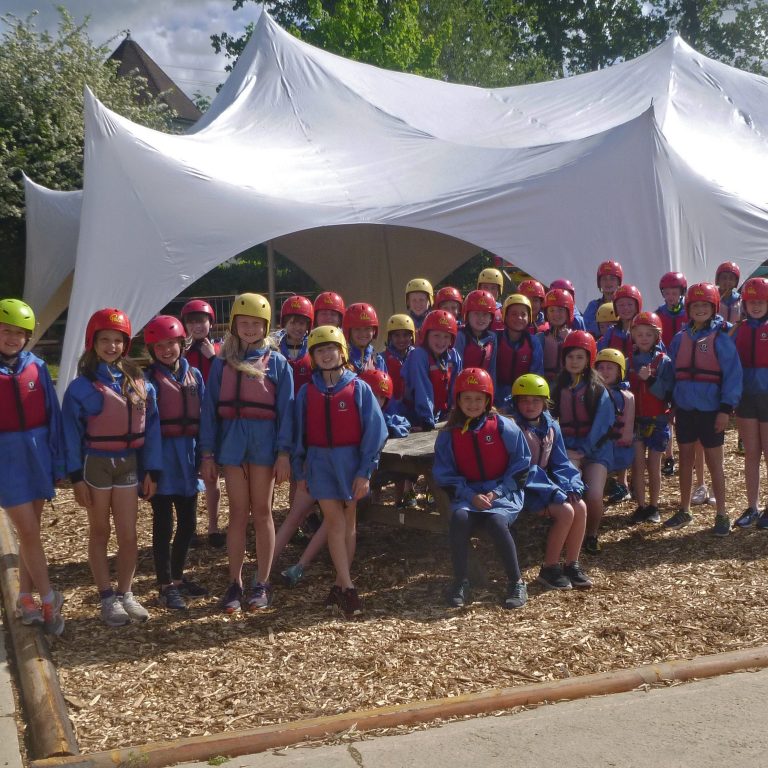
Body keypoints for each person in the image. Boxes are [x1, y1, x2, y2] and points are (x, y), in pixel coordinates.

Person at [62, 308, 162, 627]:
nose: (111, 346)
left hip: (129, 463)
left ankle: (126, 593)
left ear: (125, 344)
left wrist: (152, 470)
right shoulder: (81, 388)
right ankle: (106, 597)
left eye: (117, 341)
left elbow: (152, 429)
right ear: (93, 343)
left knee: (129, 534)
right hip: (96, 465)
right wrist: (76, 477)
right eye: (104, 340)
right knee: (100, 530)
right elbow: (70, 435)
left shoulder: (137, 382)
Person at [199, 293, 294, 613]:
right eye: (244, 323)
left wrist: (284, 454)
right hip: (232, 445)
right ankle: (235, 583)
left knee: (263, 511)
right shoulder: (221, 363)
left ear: (265, 326)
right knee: (238, 513)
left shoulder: (278, 363)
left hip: (264, 444)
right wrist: (208, 454)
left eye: (255, 324)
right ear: (234, 326)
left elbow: (286, 412)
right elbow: (209, 411)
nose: (249, 329)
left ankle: (262, 581)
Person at [292, 326, 387, 619]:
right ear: (313, 357)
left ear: (342, 352)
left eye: (331, 349)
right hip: (320, 462)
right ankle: (348, 588)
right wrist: (300, 470)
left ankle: (337, 585)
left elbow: (375, 432)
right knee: (334, 521)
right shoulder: (307, 392)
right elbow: (299, 435)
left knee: (349, 522)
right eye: (320, 350)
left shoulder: (358, 388)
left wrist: (365, 471)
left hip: (350, 462)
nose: (326, 355)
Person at [433, 368, 531, 609]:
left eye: (479, 398)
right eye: (467, 398)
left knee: (496, 522)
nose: (473, 404)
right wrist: (470, 495)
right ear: (458, 400)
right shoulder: (449, 433)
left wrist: (496, 492)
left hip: (503, 492)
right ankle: (461, 580)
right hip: (469, 493)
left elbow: (521, 464)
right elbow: (444, 474)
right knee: (459, 518)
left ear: (488, 400)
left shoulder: (503, 426)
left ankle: (516, 581)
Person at [0, 299, 65, 635]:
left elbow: (53, 416)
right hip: (6, 457)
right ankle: (49, 596)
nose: (13, 338)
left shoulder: (36, 367)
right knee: (27, 531)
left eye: (19, 333)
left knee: (32, 533)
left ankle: (25, 598)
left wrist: (58, 460)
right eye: (6, 331)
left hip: (37, 452)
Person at [664, 283, 742, 535]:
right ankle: (684, 509)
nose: (699, 309)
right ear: (688, 308)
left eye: (704, 305)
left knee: (714, 463)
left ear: (713, 307)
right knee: (685, 460)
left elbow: (732, 375)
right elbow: (674, 372)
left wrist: (725, 409)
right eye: (695, 305)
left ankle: (722, 514)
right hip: (686, 409)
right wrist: (672, 404)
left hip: (711, 410)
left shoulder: (722, 336)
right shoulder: (680, 338)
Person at [144, 315, 208, 610]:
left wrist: (206, 455)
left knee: (188, 524)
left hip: (187, 459)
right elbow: (147, 428)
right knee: (163, 524)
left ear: (182, 343)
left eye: (172, 343)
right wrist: (149, 469)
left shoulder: (194, 374)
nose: (167, 349)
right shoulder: (148, 380)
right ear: (152, 350)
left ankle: (179, 579)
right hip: (161, 460)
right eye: (160, 346)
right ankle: (164, 584)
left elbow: (205, 419)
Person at [510, 373, 592, 590]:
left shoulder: (551, 426)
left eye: (535, 400)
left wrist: (572, 485)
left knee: (580, 506)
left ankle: (572, 564)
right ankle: (549, 567)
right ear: (516, 402)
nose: (529, 405)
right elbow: (522, 470)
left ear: (544, 402)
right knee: (565, 511)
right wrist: (554, 492)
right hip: (522, 489)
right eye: (524, 400)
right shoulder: (513, 428)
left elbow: (561, 462)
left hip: (546, 486)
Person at [551, 331, 615, 555]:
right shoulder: (559, 387)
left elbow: (602, 427)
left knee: (595, 494)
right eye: (570, 357)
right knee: (570, 490)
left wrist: (583, 451)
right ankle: (569, 532)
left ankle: (592, 534)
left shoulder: (598, 390)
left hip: (596, 450)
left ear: (589, 360)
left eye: (580, 357)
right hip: (569, 447)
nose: (574, 362)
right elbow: (549, 417)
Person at [181, 299, 225, 547]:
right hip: (190, 419)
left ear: (211, 322)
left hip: (214, 420)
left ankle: (213, 526)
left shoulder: (221, 350)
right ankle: (191, 527)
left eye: (202, 321)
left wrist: (214, 357)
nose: (198, 326)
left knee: (212, 475)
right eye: (192, 322)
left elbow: (231, 377)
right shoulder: (182, 351)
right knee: (189, 474)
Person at [625, 312, 674, 525]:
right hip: (636, 421)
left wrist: (651, 379)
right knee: (637, 465)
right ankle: (641, 505)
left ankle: (654, 505)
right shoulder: (627, 362)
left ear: (657, 337)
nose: (644, 338)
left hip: (657, 420)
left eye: (649, 334)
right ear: (633, 336)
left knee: (654, 464)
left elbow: (668, 392)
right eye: (639, 334)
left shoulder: (663, 361)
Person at [731, 277, 768, 529]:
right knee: (751, 454)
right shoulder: (738, 329)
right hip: (746, 398)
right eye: (751, 301)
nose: (755, 306)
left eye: (761, 301)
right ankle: (752, 506)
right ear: (744, 303)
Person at [401, 309, 461, 430]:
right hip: (415, 417)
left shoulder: (453, 356)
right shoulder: (418, 355)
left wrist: (456, 415)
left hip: (440, 416)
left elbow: (457, 388)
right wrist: (426, 421)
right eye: (436, 335)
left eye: (446, 336)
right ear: (426, 335)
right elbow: (421, 388)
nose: (441, 341)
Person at [595, 348, 635, 506]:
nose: (604, 372)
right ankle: (610, 486)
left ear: (619, 372)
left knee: (619, 459)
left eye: (610, 368)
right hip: (602, 442)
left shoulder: (623, 394)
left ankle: (621, 484)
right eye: (601, 368)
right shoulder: (594, 391)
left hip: (618, 441)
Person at [495, 294, 544, 409]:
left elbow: (536, 374)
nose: (519, 318)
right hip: (498, 396)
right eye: (514, 314)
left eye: (523, 314)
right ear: (505, 316)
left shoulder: (534, 343)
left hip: (524, 395)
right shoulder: (495, 339)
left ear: (529, 317)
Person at [454, 289, 497, 377]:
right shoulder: (460, 336)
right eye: (476, 313)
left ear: (491, 318)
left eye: (485, 314)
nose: (481, 318)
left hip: (483, 385)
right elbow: (456, 370)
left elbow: (492, 370)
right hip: (463, 384)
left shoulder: (492, 337)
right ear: (467, 315)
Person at [277, 295, 314, 397]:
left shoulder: (313, 348)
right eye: (292, 323)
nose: (297, 328)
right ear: (285, 323)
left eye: (301, 323)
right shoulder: (275, 348)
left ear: (308, 326)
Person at [538, 288, 574, 385]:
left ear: (568, 312)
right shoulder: (540, 338)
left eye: (561, 310)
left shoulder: (575, 338)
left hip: (568, 385)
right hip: (544, 384)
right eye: (552, 310)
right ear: (546, 314)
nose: (556, 314)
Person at [598, 284, 643, 357]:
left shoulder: (645, 331)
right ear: (615, 308)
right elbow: (600, 353)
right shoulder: (611, 332)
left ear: (637, 306)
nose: (625, 308)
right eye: (621, 305)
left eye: (630, 304)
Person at [343, 302, 387, 373]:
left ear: (374, 331)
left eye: (367, 328)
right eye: (357, 329)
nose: (363, 333)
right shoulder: (343, 360)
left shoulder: (378, 360)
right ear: (349, 332)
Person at [583, 261, 624, 336]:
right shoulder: (593, 306)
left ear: (619, 282)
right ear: (599, 283)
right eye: (604, 279)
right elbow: (584, 328)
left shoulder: (625, 305)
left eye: (612, 279)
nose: (608, 282)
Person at [382, 314, 415, 403]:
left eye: (405, 335)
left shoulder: (416, 356)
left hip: (413, 408)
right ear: (390, 337)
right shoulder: (382, 359)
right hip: (392, 407)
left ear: (412, 336)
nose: (401, 339)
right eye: (397, 335)